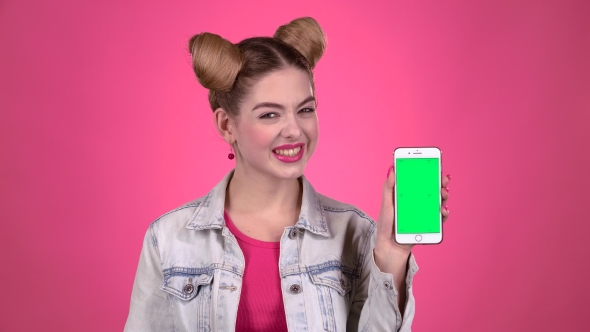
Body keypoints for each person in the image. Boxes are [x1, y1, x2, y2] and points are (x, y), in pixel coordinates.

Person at [124, 17, 450, 332]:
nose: (294, 130)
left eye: (306, 109)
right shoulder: (168, 239)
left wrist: (392, 253)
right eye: (269, 114)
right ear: (227, 125)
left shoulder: (357, 233)